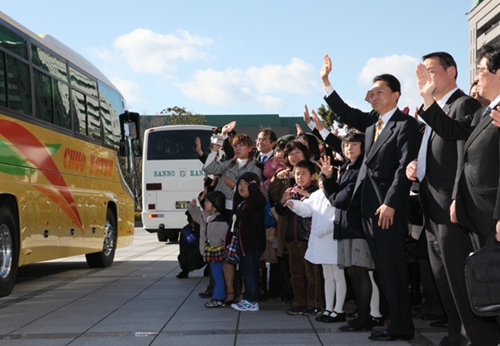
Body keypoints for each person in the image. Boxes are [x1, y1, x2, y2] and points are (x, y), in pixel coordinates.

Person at [321, 54, 419, 341]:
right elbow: (344, 113)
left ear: (396, 95)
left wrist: (390, 202)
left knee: (392, 270)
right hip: (368, 211)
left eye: (380, 92)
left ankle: (401, 326)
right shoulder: (372, 123)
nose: (373, 97)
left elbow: (405, 168)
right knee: (383, 271)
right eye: (371, 92)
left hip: (387, 210)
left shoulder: (404, 125)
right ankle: (396, 323)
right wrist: (326, 81)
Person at [414, 45, 500, 345]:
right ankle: (463, 336)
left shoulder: (468, 105)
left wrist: (455, 198)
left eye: (482, 72)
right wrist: (426, 98)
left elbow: (469, 159)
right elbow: (452, 133)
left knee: (476, 284)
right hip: (456, 210)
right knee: (451, 281)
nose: (477, 79)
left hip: (479, 212)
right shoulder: (483, 112)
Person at [284, 174, 347, 323]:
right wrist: (294, 204)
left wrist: (322, 230)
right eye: (320, 180)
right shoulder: (317, 195)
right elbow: (307, 209)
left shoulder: (337, 195)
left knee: (338, 276)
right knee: (327, 276)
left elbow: (338, 218)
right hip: (320, 242)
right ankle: (328, 308)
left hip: (333, 240)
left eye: (324, 180)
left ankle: (339, 309)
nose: (321, 183)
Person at [275, 159, 322, 316]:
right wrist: (283, 200)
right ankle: (299, 302)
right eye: (296, 174)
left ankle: (314, 303)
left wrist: (305, 194)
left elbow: (319, 206)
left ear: (313, 176)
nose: (299, 177)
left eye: (303, 174)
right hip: (293, 239)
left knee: (312, 273)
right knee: (296, 273)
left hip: (309, 239)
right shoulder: (292, 191)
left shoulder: (316, 192)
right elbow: (280, 212)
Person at [230, 172, 267, 312]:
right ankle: (247, 298)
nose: (242, 187)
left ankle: (252, 301)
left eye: (247, 184)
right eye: (240, 183)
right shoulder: (242, 202)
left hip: (252, 245)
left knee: (250, 273)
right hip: (243, 244)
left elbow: (261, 201)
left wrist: (253, 188)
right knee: (246, 272)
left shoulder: (255, 201)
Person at [187, 191, 228, 308]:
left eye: (208, 202)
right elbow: (196, 215)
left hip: (217, 252)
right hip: (211, 252)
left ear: (215, 204)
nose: (205, 203)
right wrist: (193, 207)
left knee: (218, 276)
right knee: (216, 275)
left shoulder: (220, 222)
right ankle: (219, 296)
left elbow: (226, 238)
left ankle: (218, 298)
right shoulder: (206, 216)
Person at [176, 211, 205, 279]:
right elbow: (196, 243)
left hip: (195, 256)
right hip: (187, 258)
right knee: (202, 249)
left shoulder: (199, 227)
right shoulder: (186, 231)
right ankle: (186, 270)